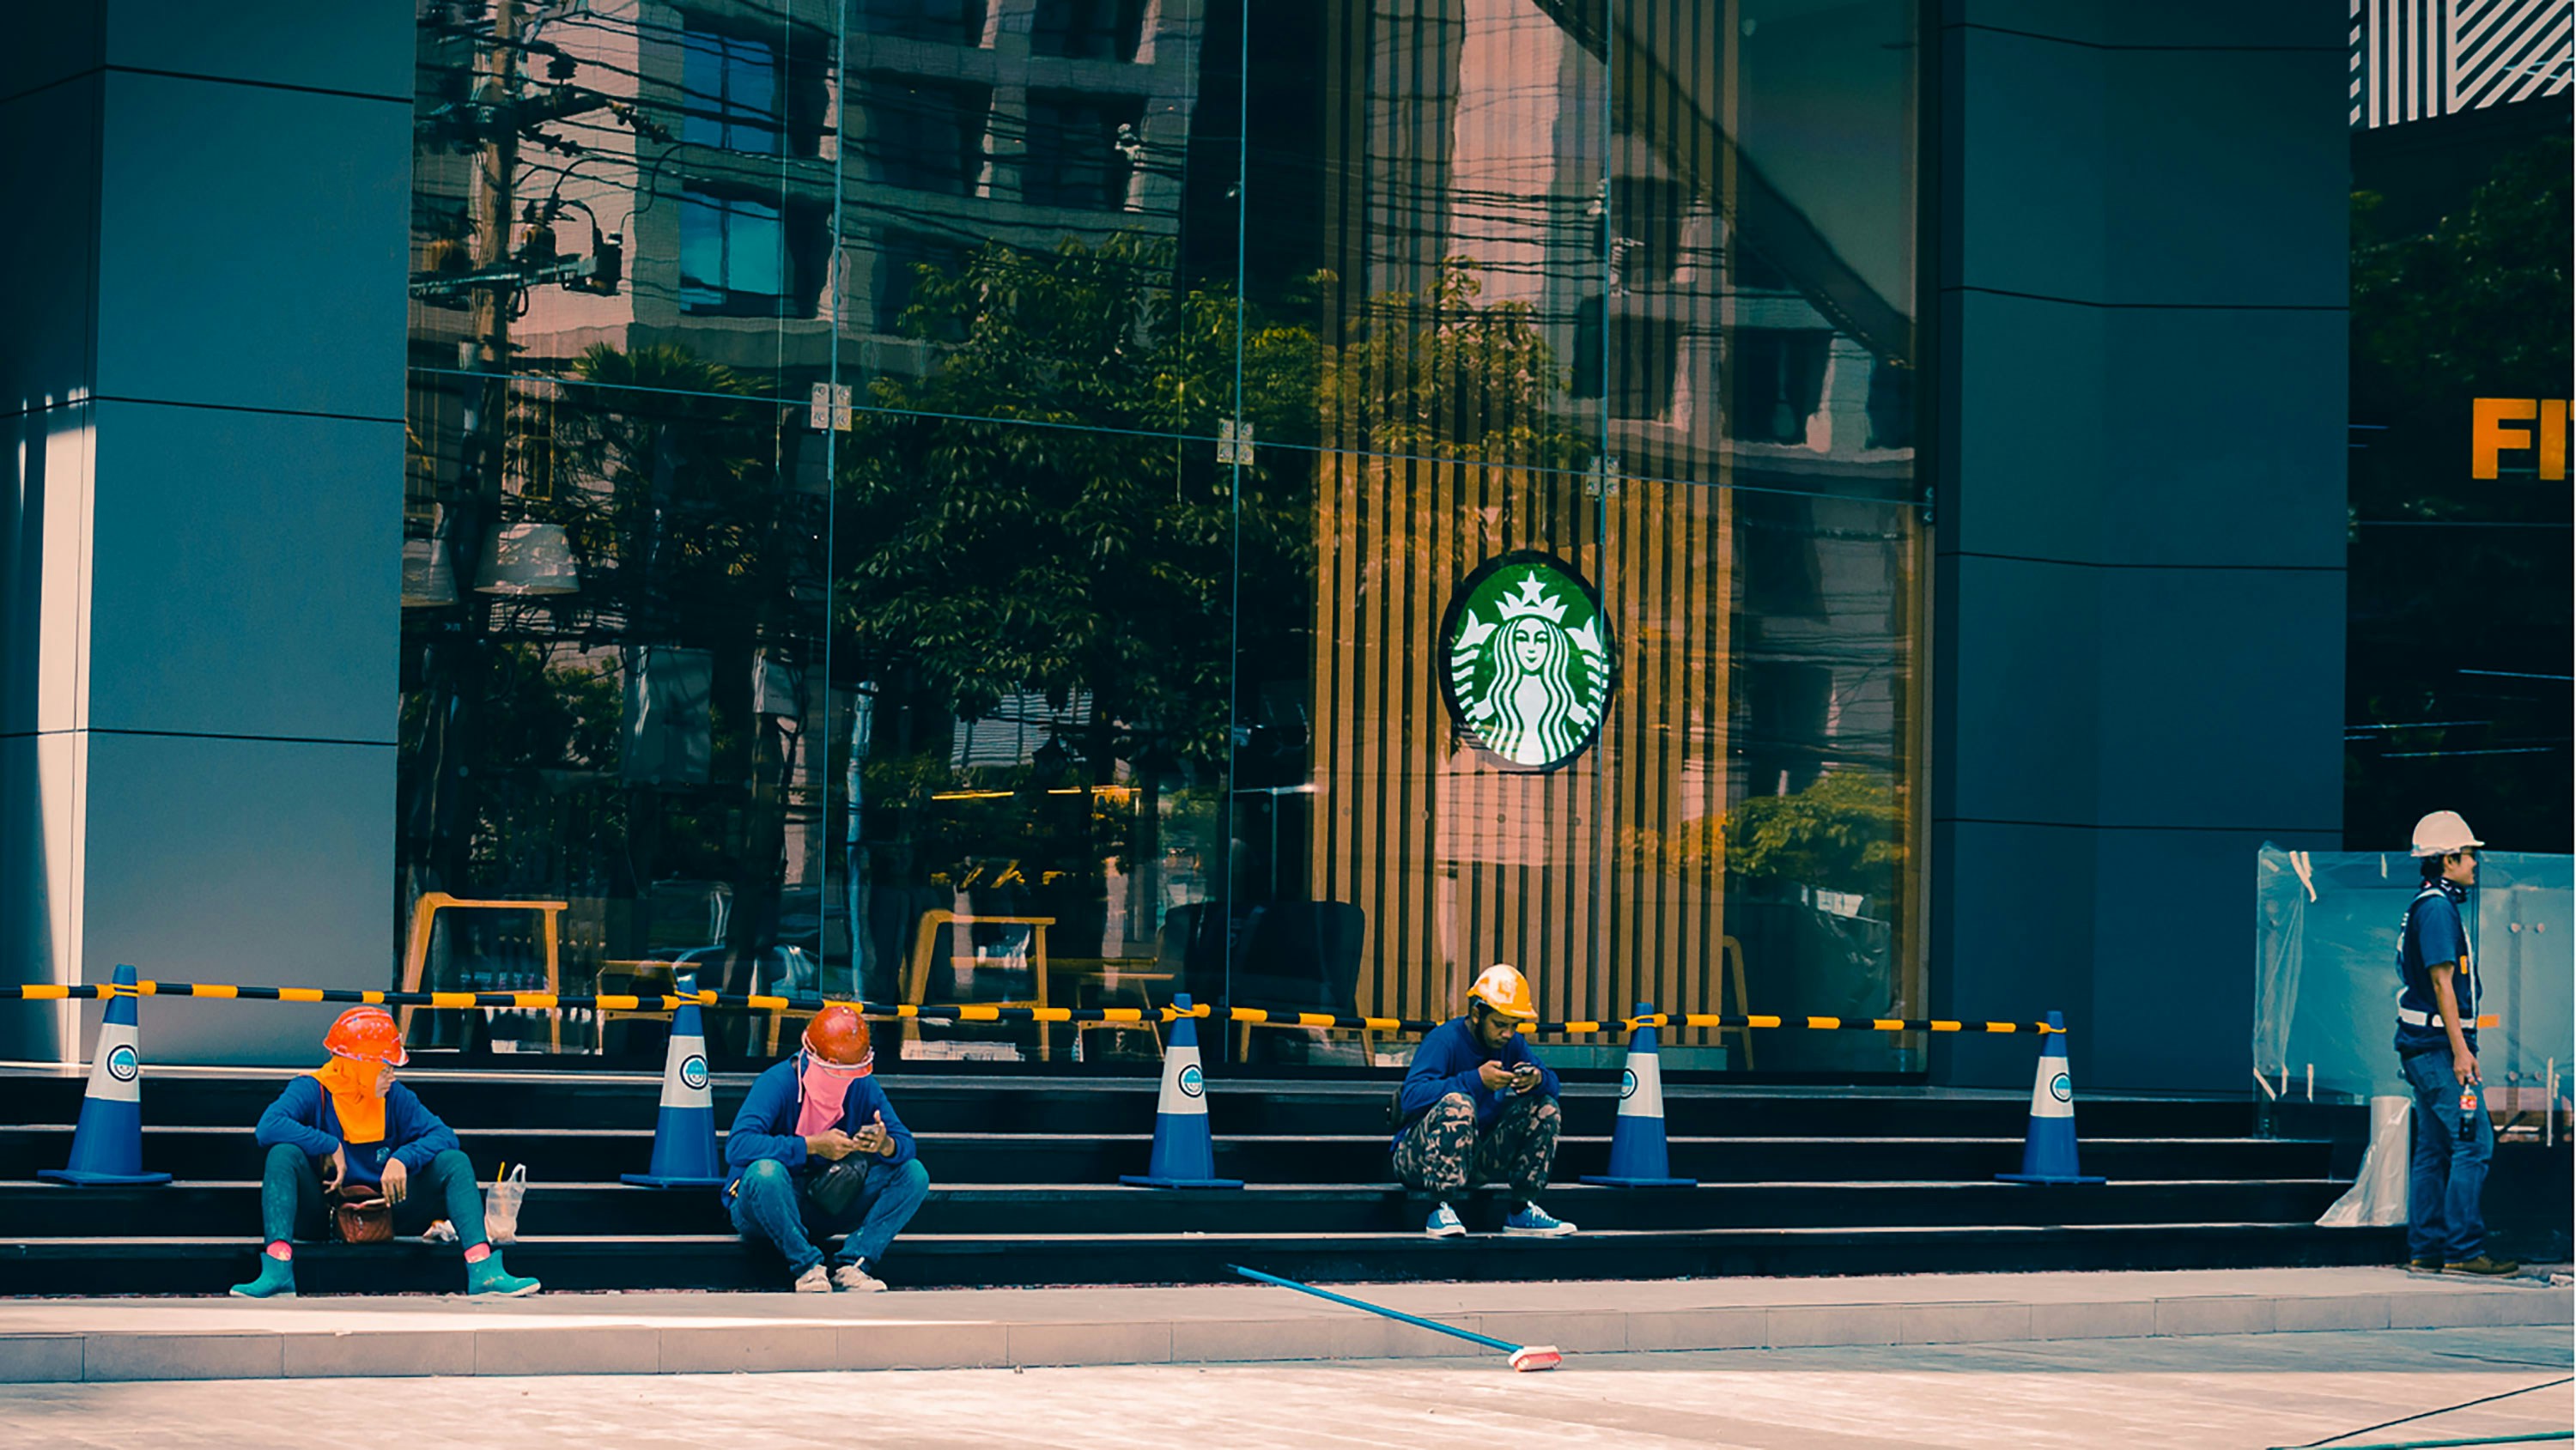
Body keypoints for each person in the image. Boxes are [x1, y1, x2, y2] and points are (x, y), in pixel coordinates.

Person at [229, 1006, 540, 1298]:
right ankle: (278, 1270)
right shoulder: (312, 1089)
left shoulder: (395, 1096)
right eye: (384, 1067)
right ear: (358, 1066)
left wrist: (402, 1159)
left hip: (387, 1211)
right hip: (324, 1213)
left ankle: (483, 1270)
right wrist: (328, 1144)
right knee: (282, 1154)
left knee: (454, 1162)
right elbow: (268, 1127)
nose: (392, 1075)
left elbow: (445, 1136)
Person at [725, 1005, 930, 1291]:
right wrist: (810, 1145)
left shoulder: (862, 1085)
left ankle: (853, 1265)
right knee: (766, 1171)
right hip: (768, 1205)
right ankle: (807, 1267)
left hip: (828, 1197)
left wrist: (885, 1144)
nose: (844, 1080)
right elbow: (737, 1146)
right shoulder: (777, 1083)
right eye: (835, 1071)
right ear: (813, 1057)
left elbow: (905, 1143)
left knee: (913, 1174)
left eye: (852, 1072)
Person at [2393, 810, 2517, 1276]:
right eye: (2468, 856)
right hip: (2439, 1051)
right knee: (2474, 1144)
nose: (2474, 864)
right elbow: (2443, 984)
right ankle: (2464, 1250)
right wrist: (2462, 1052)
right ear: (2447, 860)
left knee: (2433, 1149)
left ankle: (2426, 1249)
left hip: (2421, 1048)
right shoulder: (2439, 910)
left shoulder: (2426, 904)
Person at [1390, 963, 1577, 1240]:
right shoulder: (1444, 1040)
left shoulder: (1511, 1044)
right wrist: (1476, 1080)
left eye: (1514, 1026)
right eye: (1500, 1025)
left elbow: (1554, 1086)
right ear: (1477, 1014)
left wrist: (1536, 1080)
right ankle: (1439, 1207)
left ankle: (1521, 1209)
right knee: (1459, 1103)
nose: (1507, 1034)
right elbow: (1411, 1097)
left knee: (1545, 1107)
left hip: (1474, 1158)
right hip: (1418, 1159)